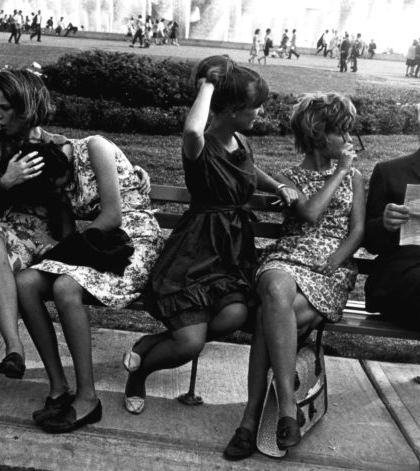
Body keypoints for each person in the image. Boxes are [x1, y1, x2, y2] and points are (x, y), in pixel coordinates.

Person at [123, 56, 296, 416]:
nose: (259, 113)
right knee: (189, 345)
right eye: (254, 107)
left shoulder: (240, 142)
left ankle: (151, 343)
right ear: (232, 110)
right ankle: (140, 376)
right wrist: (209, 85)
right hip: (196, 253)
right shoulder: (198, 147)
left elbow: (250, 168)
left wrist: (276, 184)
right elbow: (191, 131)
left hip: (229, 252)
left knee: (234, 316)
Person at [224, 92, 364, 460]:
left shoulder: (357, 179)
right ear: (319, 135)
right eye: (342, 134)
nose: (349, 141)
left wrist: (336, 259)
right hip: (287, 258)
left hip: (327, 271)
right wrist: (339, 173)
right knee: (274, 283)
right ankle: (288, 408)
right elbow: (311, 213)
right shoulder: (288, 177)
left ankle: (250, 419)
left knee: (265, 317)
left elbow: (357, 231)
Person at [16, 137, 163, 433]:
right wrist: (61, 243)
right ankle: (59, 388)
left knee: (65, 287)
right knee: (25, 283)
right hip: (98, 245)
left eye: (59, 186)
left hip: (133, 242)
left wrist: (65, 250)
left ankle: (88, 399)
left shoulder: (95, 148)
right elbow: (69, 231)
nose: (59, 192)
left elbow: (113, 216)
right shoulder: (51, 175)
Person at [0, 70, 63, 425]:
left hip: (36, 240)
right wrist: (5, 182)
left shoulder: (57, 147)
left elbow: (79, 198)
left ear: (25, 109)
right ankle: (14, 346)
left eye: (4, 109)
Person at [362, 91, 420, 471]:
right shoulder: (391, 171)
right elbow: (370, 241)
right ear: (418, 128)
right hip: (402, 277)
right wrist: (385, 222)